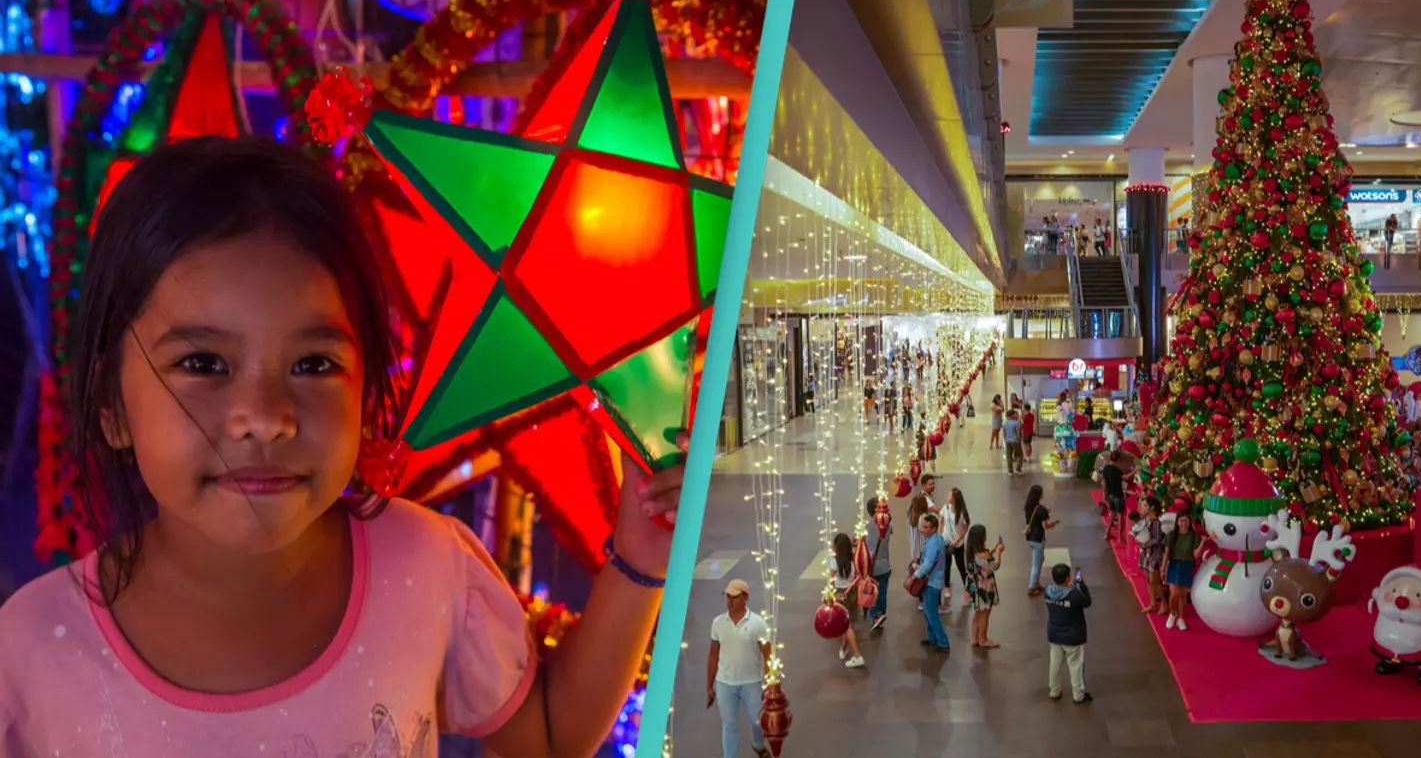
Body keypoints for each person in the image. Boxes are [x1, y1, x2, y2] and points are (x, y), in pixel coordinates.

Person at [0, 137, 687, 757]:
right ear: (112, 407)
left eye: (314, 365)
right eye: (204, 365)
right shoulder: (30, 649)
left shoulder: (426, 565)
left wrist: (642, 560)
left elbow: (546, 735)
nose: (265, 419)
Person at [708, 580, 775, 758]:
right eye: (728, 596)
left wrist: (769, 684)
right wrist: (710, 686)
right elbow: (713, 655)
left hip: (751, 683)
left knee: (757, 721)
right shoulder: (718, 623)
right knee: (729, 726)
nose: (729, 601)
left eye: (734, 597)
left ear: (745, 598)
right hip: (724, 683)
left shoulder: (758, 624)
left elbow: (768, 655)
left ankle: (758, 745)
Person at [1044, 564, 1093, 704]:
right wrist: (1081, 585)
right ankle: (1078, 695)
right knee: (1075, 665)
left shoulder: (1047, 591)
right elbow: (1087, 601)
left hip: (1054, 634)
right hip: (1073, 636)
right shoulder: (1074, 595)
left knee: (1055, 664)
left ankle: (1054, 691)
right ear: (1067, 578)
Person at [825, 534, 866, 669]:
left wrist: (829, 596)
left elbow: (830, 580)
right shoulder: (853, 559)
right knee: (847, 624)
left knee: (846, 626)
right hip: (851, 594)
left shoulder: (834, 561)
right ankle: (843, 649)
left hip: (839, 594)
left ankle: (857, 655)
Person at [912, 513, 950, 651]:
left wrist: (915, 576)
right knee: (928, 611)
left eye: (926, 527)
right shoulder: (935, 539)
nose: (922, 529)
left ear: (934, 529)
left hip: (932, 582)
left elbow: (928, 564)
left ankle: (943, 641)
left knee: (931, 612)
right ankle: (931, 637)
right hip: (935, 580)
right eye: (922, 526)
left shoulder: (933, 543)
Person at [1161, 509, 1202, 631]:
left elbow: (1196, 555)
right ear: (1177, 522)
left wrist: (1202, 543)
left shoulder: (1194, 536)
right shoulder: (1171, 535)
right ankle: (1172, 613)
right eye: (1181, 520)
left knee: (1183, 595)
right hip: (1174, 565)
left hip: (1187, 566)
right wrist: (1163, 569)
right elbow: (1166, 554)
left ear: (1189, 522)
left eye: (1186, 520)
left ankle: (1181, 618)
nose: (1184, 523)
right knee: (1173, 594)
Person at [965, 525, 1004, 648]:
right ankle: (983, 639)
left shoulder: (971, 552)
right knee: (985, 614)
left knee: (977, 614)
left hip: (974, 587)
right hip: (985, 588)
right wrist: (999, 552)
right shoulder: (984, 554)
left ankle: (974, 638)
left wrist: (992, 551)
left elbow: (983, 563)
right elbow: (994, 565)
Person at [1024, 485, 1059, 596]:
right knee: (1036, 563)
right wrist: (1053, 524)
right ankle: (1032, 587)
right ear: (1039, 495)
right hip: (1038, 539)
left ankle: (1036, 583)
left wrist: (1044, 513)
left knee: (1040, 559)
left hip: (1029, 538)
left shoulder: (1028, 505)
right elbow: (1045, 526)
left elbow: (1035, 518)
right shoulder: (1041, 509)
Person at [939, 488, 970, 613]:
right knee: (946, 566)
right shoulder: (945, 508)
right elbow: (940, 521)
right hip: (946, 543)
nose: (947, 497)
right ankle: (946, 587)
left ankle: (968, 588)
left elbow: (965, 528)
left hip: (958, 544)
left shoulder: (961, 513)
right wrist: (940, 536)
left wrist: (957, 540)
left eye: (949, 495)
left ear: (955, 498)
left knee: (961, 566)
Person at [865, 497, 892, 631]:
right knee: (882, 591)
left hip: (872, 566)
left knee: (871, 592)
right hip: (886, 565)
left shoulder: (867, 526)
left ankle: (875, 616)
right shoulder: (888, 524)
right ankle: (882, 613)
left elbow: (856, 540)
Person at [1137, 496, 1167, 616]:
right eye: (1142, 505)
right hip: (1145, 554)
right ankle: (1153, 604)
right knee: (1148, 580)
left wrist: (1145, 544)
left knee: (1155, 581)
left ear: (1152, 507)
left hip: (1154, 555)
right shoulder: (1143, 520)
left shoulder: (1156, 522)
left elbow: (1158, 539)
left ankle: (1165, 603)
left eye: (1145, 505)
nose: (1143, 508)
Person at [1102, 443, 1137, 543]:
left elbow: (1104, 482)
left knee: (1112, 514)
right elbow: (1126, 477)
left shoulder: (1105, 469)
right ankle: (1120, 537)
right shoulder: (1117, 470)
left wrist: (1105, 494)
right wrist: (1134, 471)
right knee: (1120, 515)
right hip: (1118, 494)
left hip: (1110, 494)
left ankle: (1107, 533)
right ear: (1118, 460)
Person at [1003, 409, 1023, 474]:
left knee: (1009, 456)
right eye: (1014, 414)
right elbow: (1018, 433)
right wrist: (1019, 439)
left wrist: (1005, 440)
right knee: (1019, 455)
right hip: (1015, 441)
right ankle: (1018, 468)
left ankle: (1010, 471)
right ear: (1012, 415)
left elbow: (1004, 433)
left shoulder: (1005, 423)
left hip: (1008, 441)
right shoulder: (1016, 422)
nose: (1015, 415)